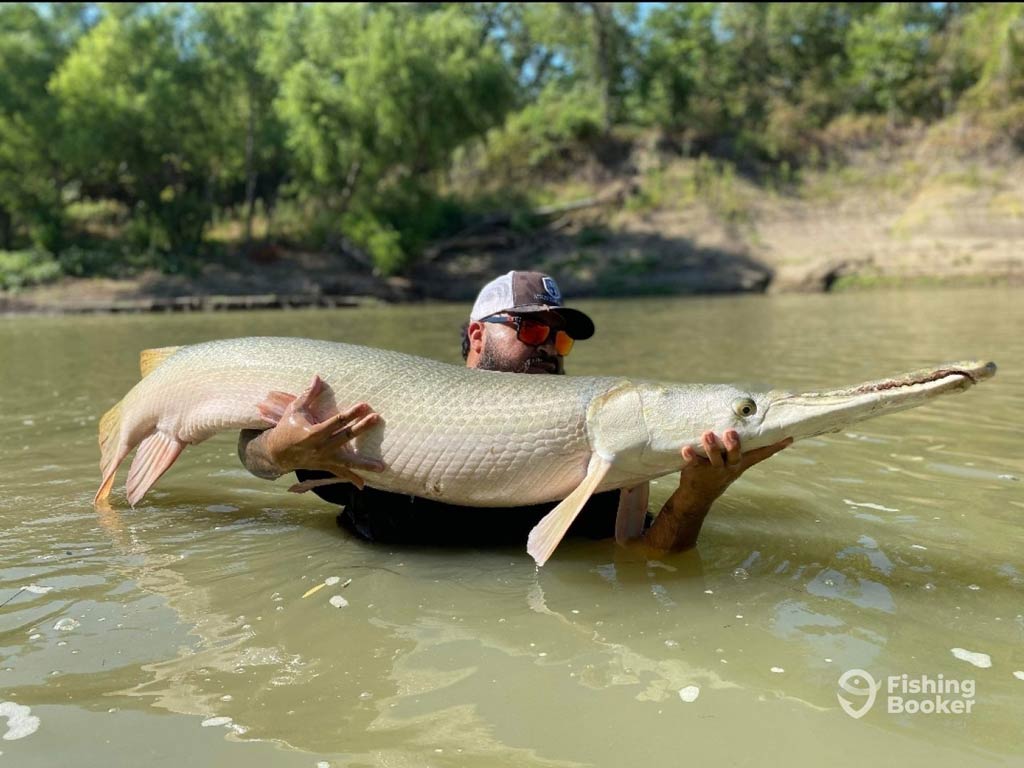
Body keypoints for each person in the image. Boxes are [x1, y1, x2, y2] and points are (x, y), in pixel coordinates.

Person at [238, 271, 791, 551]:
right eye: (530, 328)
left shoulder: (602, 452)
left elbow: (649, 560)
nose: (550, 345)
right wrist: (276, 450)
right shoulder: (389, 409)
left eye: (562, 339)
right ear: (478, 335)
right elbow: (252, 454)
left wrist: (696, 495)